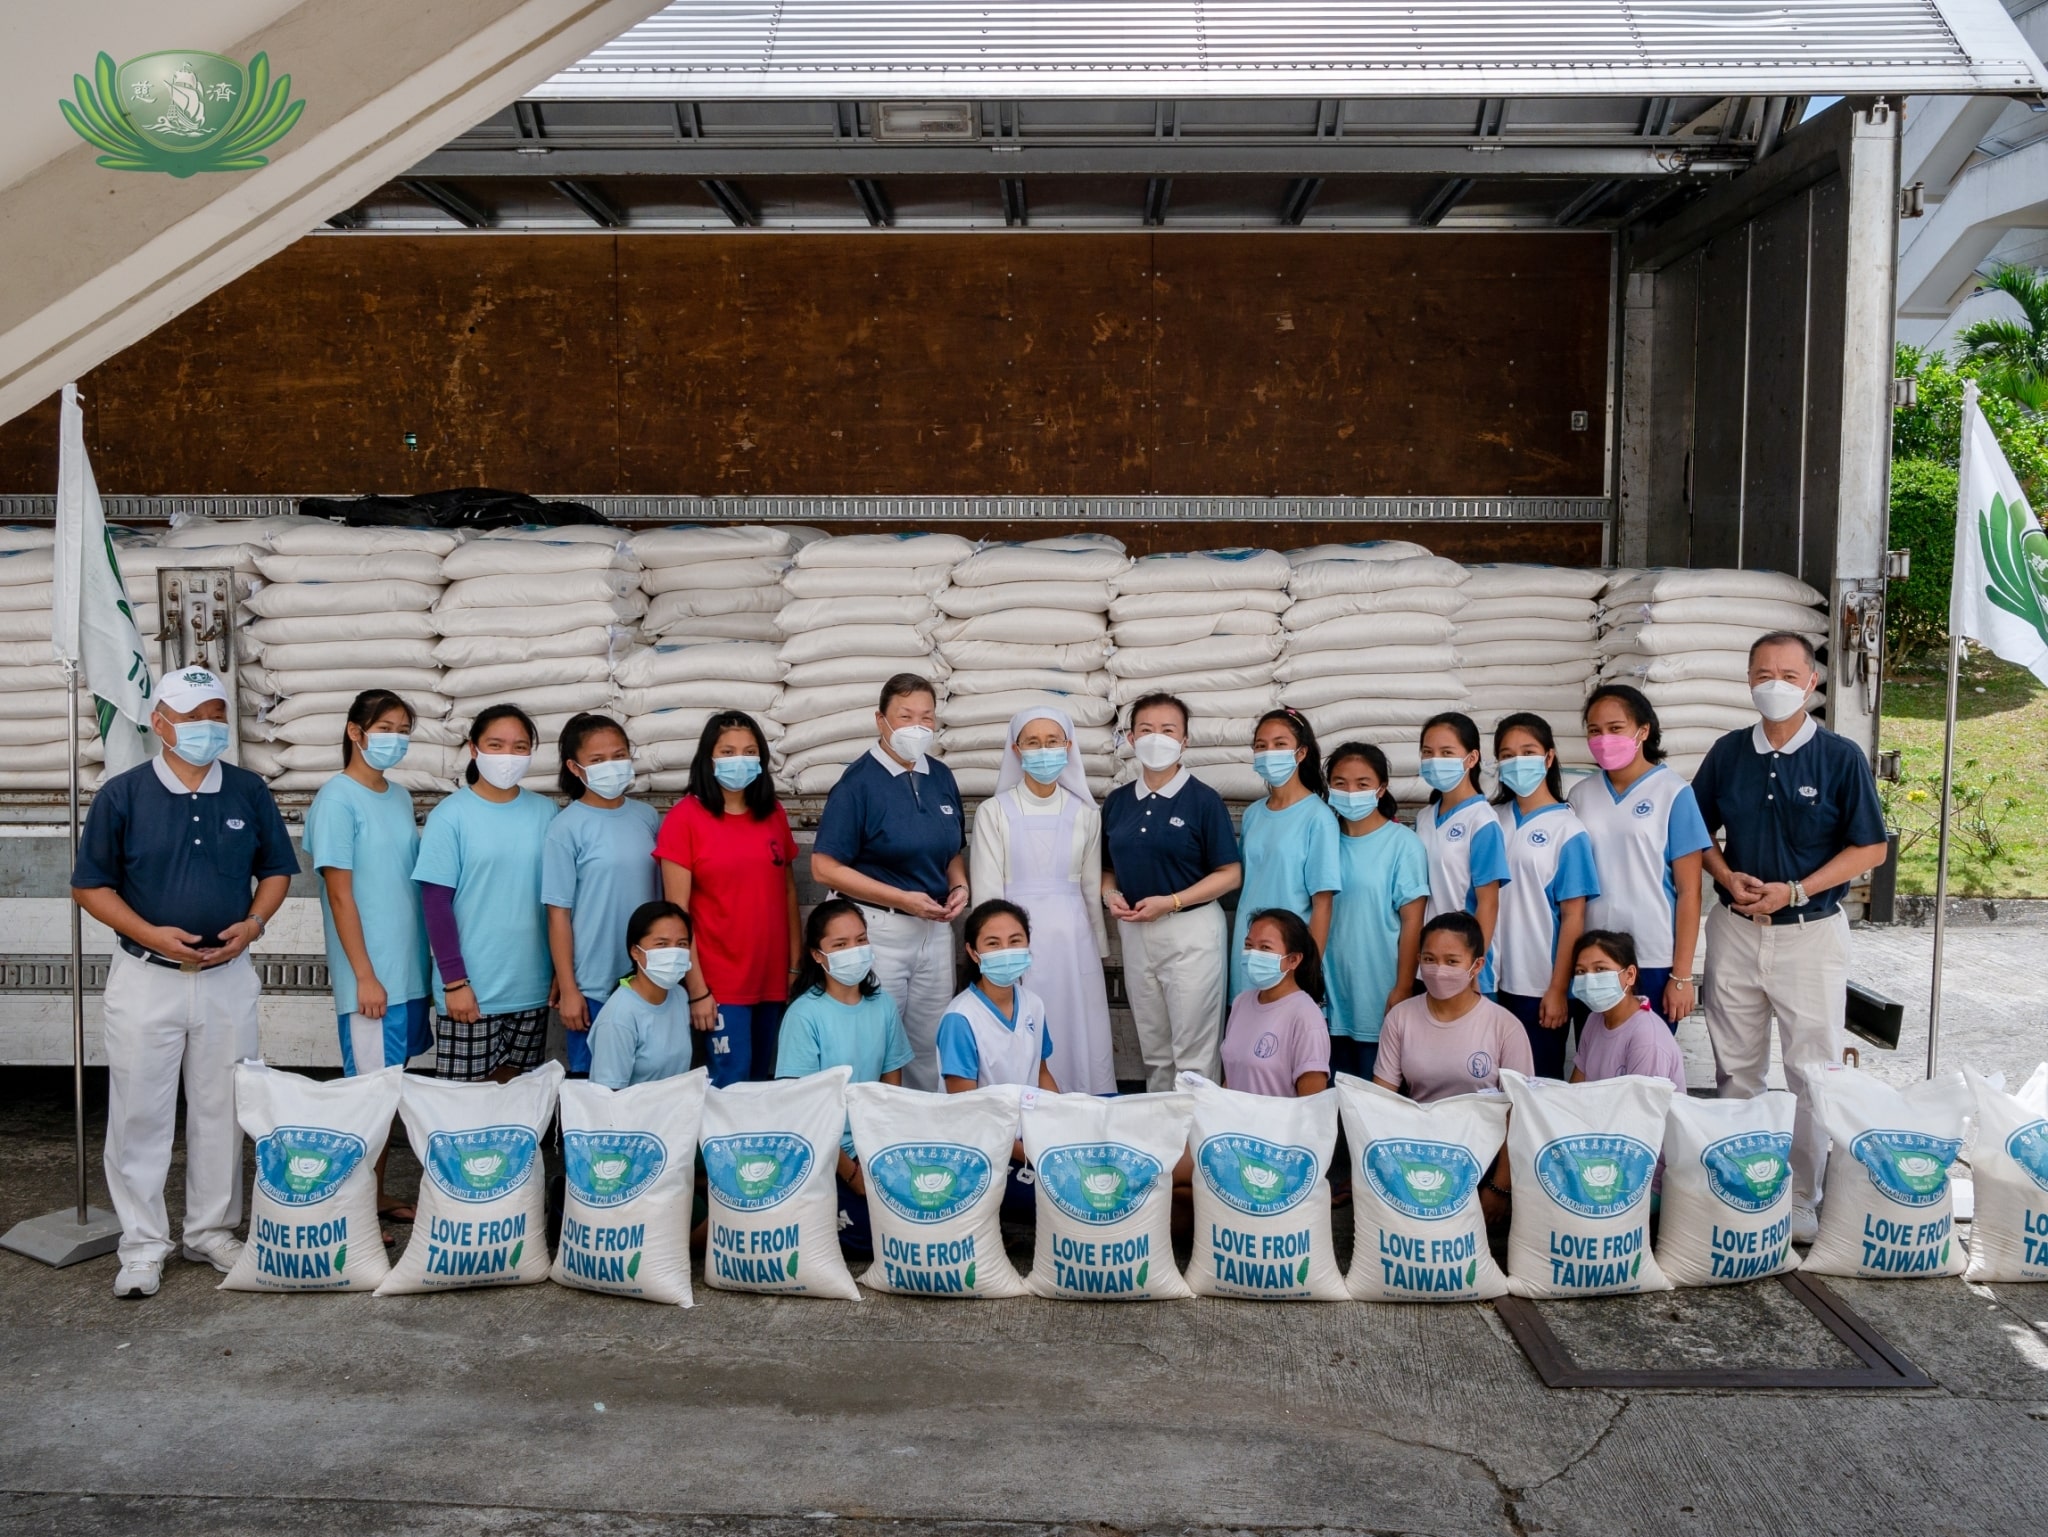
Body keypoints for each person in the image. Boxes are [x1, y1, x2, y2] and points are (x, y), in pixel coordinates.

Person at [70, 666, 297, 1299]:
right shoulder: (123, 794)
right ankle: (142, 1244)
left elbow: (277, 870)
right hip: (148, 979)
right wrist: (149, 934)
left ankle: (211, 1232)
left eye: (217, 714)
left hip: (227, 978)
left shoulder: (248, 791)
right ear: (160, 722)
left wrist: (253, 924)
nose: (208, 727)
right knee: (139, 1112)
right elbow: (90, 886)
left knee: (223, 1106)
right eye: (194, 716)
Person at [1689, 631, 1889, 1242]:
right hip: (1736, 930)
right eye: (1760, 673)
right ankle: (1739, 1188)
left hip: (1810, 934)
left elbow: (1871, 847)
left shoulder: (1840, 757)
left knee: (1810, 1072)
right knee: (1737, 1069)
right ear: (1748, 680)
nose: (1772, 684)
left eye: (1786, 673)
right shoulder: (1727, 753)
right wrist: (1724, 873)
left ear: (1812, 683)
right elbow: (1694, 830)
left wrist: (1797, 890)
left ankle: (1803, 1195)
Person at [305, 688, 431, 1219]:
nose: (396, 739)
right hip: (372, 980)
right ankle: (354, 1212)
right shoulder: (336, 799)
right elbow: (339, 893)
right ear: (356, 733)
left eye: (404, 729)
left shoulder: (398, 796)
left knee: (390, 1092)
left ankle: (372, 1197)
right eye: (386, 729)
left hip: (407, 974)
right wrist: (364, 976)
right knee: (370, 1100)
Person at [811, 674, 967, 1091]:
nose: (917, 727)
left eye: (926, 717)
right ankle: (864, 1143)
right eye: (905, 716)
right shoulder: (857, 784)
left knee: (929, 1043)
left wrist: (960, 887)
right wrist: (901, 897)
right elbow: (824, 867)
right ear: (881, 720)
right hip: (878, 930)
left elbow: (951, 849)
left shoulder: (941, 776)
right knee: (876, 1042)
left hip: (934, 929)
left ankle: (923, 1134)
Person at [1100, 692, 1242, 1090]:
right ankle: (1160, 1132)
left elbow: (1230, 874)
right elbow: (1106, 869)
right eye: (1146, 729)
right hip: (1136, 932)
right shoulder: (1117, 802)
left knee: (1193, 1049)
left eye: (1168, 730)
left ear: (1185, 741)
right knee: (1154, 1046)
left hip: (1190, 930)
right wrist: (1111, 897)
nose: (1156, 738)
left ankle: (1195, 1142)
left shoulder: (1203, 800)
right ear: (1130, 738)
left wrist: (1173, 901)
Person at [968, 707, 1113, 1093]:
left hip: (1072, 941)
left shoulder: (1085, 813)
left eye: (1053, 742)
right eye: (1033, 742)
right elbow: (986, 892)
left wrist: (1097, 945)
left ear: (1068, 747)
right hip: (1016, 943)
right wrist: (995, 951)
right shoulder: (993, 812)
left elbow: (1089, 885)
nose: (1043, 750)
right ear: (1016, 750)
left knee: (1076, 1028)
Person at [413, 703, 559, 1082]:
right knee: (464, 1110)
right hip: (472, 991)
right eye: (496, 745)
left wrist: (561, 971)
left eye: (519, 746)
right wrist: (454, 983)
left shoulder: (547, 813)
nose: (508, 756)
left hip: (531, 988)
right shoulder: (451, 815)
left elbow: (558, 903)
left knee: (517, 1106)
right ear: (474, 749)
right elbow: (435, 902)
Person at [656, 710, 800, 1087]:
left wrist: (794, 967)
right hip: (720, 984)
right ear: (709, 758)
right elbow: (677, 914)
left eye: (750, 751)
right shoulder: (685, 818)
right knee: (730, 1082)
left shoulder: (773, 814)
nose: (740, 760)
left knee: (760, 1080)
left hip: (771, 977)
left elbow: (787, 894)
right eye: (728, 751)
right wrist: (697, 989)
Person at [776, 899, 915, 1256]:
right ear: (818, 955)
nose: (854, 951)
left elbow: (890, 1088)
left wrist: (883, 1155)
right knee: (873, 1237)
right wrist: (852, 1174)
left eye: (860, 940)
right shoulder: (804, 1015)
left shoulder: (882, 1004)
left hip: (873, 1147)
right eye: (839, 945)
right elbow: (804, 1111)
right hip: (826, 1155)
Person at [1568, 684, 1712, 1027]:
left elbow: (1690, 892)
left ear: (1643, 731)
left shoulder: (1673, 793)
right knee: (1595, 1060)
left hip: (1652, 957)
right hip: (1591, 959)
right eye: (1594, 730)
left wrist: (1681, 975)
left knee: (1647, 1066)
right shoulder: (1579, 796)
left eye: (1615, 729)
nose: (1604, 738)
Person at [543, 713, 661, 1077]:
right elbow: (558, 914)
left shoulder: (648, 817)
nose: (611, 766)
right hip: (593, 982)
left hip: (649, 977)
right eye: (597, 760)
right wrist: (569, 987)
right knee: (595, 1088)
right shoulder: (565, 828)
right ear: (575, 768)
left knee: (647, 1080)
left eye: (619, 755)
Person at [1490, 713, 1601, 1080]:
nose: (1517, 761)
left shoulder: (1567, 829)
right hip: (1487, 979)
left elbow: (1573, 916)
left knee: (1536, 1087)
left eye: (1528, 751)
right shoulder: (1490, 819)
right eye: (1507, 754)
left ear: (1549, 757)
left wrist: (1557, 989)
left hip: (1536, 983)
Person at [1323, 742, 1430, 1082]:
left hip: (1377, 988)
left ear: (1381, 788)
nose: (1350, 792)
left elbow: (1413, 922)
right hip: (1326, 987)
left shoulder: (1403, 844)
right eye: (1340, 783)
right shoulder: (1321, 839)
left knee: (1375, 1095)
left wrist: (1402, 987)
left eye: (1362, 784)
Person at [1229, 707, 1341, 1002]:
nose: (1269, 753)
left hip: (1289, 956)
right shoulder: (1253, 814)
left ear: (1301, 753)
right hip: (1251, 949)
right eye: (1261, 746)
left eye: (1280, 744)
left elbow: (1323, 905)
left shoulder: (1319, 817)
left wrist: (1306, 969)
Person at [1373, 913, 1534, 1104]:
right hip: (1420, 1130)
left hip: (1487, 1131)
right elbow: (1381, 1098)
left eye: (1452, 962)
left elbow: (1521, 1104)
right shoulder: (1399, 1018)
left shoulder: (1506, 1027)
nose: (1439, 970)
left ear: (1477, 966)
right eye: (1430, 959)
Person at [1414, 711, 1508, 994]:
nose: (1435, 760)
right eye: (1428, 752)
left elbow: (1488, 903)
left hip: (1464, 965)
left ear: (1471, 758)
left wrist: (1471, 969)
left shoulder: (1482, 821)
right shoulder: (1424, 817)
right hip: (1429, 961)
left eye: (1446, 752)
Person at [939, 900, 1059, 1093]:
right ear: (973, 952)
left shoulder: (1034, 1004)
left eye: (1015, 941)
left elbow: (1041, 1073)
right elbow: (962, 1103)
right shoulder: (960, 1018)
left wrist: (1059, 1114)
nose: (1006, 951)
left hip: (1029, 1119)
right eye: (993, 943)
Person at [1221, 909, 1331, 1098]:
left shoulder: (1306, 1016)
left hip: (1277, 1126)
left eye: (1265, 948)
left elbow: (1313, 1104)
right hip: (1235, 1123)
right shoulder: (1241, 1003)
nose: (1253, 954)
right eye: (1248, 946)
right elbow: (1232, 1077)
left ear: (1293, 960)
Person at [587, 901, 697, 1089]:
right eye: (662, 944)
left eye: (681, 944)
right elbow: (608, 1097)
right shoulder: (618, 1017)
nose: (673, 952)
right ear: (635, 952)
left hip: (676, 1110)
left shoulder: (679, 996)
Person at [1567, 930, 1686, 1093]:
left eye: (1600, 969)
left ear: (1630, 975)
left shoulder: (1647, 1039)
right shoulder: (1595, 1019)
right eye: (1581, 971)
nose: (1589, 979)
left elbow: (1643, 1113)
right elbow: (1576, 1090)